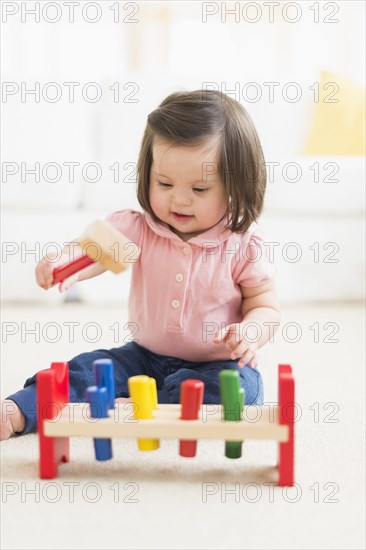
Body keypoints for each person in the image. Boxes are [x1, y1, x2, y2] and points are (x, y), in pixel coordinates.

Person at [1, 89, 281, 440]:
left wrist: (250, 332)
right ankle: (20, 409)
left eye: (199, 189)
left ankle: (158, 405)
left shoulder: (242, 244)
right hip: (143, 358)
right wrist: (64, 260)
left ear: (235, 187)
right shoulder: (140, 228)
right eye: (164, 183)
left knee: (240, 391)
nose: (179, 198)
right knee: (86, 371)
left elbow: (265, 307)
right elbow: (95, 253)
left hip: (217, 364)